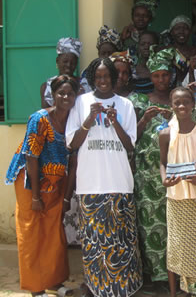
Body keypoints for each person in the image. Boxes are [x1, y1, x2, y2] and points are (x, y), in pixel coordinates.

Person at [66, 58, 142, 297]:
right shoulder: (81, 103)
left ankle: (124, 289)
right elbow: (72, 143)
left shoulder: (126, 105)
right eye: (98, 77)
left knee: (121, 240)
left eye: (107, 76)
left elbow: (130, 146)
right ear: (92, 79)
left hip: (119, 182)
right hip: (90, 183)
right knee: (93, 242)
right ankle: (96, 288)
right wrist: (89, 119)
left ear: (114, 77)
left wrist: (114, 121)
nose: (103, 81)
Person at [6, 75, 78, 297]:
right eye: (61, 93)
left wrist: (66, 197)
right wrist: (36, 197)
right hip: (30, 182)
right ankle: (37, 288)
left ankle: (55, 283)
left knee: (54, 232)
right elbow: (31, 158)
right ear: (52, 95)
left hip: (56, 182)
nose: (65, 97)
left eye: (70, 93)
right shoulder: (39, 119)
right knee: (33, 232)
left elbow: (73, 160)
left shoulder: (73, 120)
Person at [128, 48, 176, 289]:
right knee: (148, 225)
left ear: (171, 76)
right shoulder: (138, 101)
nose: (160, 80)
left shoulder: (179, 99)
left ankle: (173, 276)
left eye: (165, 75)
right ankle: (152, 276)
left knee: (172, 226)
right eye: (156, 76)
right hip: (146, 176)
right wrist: (145, 119)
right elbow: (130, 139)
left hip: (174, 174)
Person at [159, 87, 196, 297]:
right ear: (171, 105)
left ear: (193, 105)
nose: (181, 106)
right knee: (175, 247)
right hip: (175, 198)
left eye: (185, 102)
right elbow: (163, 163)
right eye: (177, 103)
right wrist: (164, 179)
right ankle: (174, 293)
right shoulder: (165, 134)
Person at [40, 37, 83, 108]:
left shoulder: (84, 85)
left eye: (73, 62)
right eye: (65, 61)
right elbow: (45, 115)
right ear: (57, 61)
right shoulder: (47, 87)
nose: (69, 65)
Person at [120, 0, 159, 64]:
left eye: (145, 16)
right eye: (137, 15)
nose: (141, 18)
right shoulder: (125, 35)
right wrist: (122, 40)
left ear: (150, 18)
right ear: (132, 17)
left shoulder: (156, 38)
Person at [166, 15, 196, 85]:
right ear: (171, 32)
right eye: (177, 28)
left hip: (192, 87)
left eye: (185, 28)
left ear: (190, 32)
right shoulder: (166, 51)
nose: (181, 31)